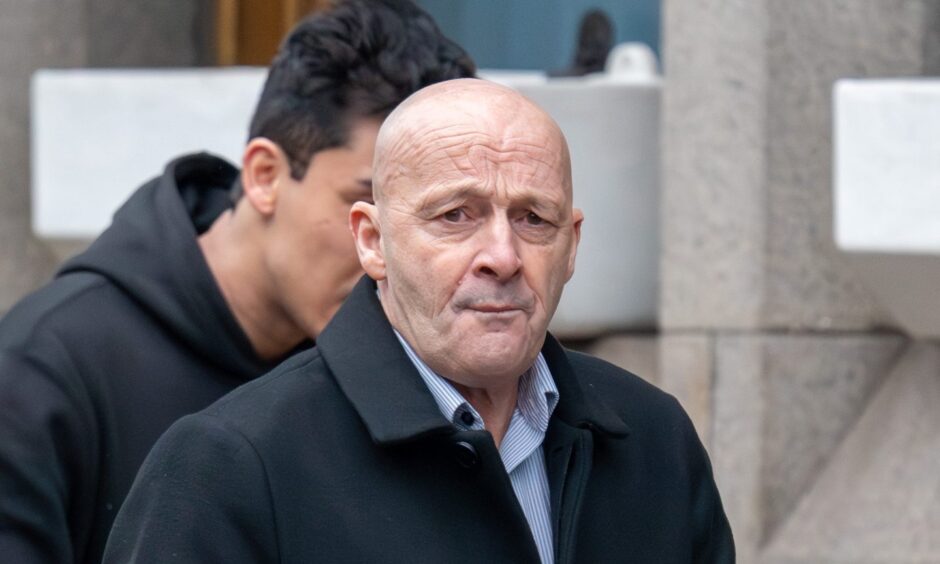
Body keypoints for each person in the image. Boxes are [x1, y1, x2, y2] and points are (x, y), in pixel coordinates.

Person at [103, 79, 734, 563]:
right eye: (455, 215)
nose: (503, 256)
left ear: (571, 246)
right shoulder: (229, 468)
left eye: (533, 219)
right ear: (372, 242)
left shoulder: (654, 442)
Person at [0, 2, 474, 563]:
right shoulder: (42, 369)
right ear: (265, 176)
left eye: (435, 214)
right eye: (364, 202)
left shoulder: (407, 366)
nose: (386, 249)